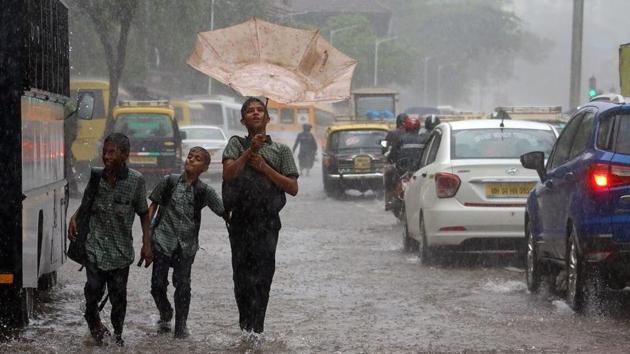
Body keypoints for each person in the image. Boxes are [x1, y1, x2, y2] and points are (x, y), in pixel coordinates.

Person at [222, 97, 299, 339]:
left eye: (260, 110)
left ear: (267, 119)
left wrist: (265, 167)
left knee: (263, 277)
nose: (255, 114)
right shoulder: (235, 145)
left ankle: (258, 330)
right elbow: (228, 174)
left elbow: (293, 187)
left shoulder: (282, 150)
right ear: (243, 120)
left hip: (267, 223)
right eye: (250, 111)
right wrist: (250, 151)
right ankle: (245, 327)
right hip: (240, 222)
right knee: (242, 277)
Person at [67, 132, 152, 347]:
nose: (106, 157)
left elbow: (144, 213)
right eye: (104, 152)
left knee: (118, 298)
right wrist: (74, 218)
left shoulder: (136, 181)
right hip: (94, 247)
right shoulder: (96, 177)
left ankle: (118, 336)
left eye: (112, 152)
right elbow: (86, 204)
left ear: (125, 154)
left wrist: (147, 244)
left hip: (120, 252)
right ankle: (93, 320)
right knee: (93, 289)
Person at [147, 146, 227, 339]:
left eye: (197, 158)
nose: (191, 160)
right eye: (190, 156)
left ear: (205, 168)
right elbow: (153, 206)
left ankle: (181, 327)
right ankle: (166, 313)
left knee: (183, 286)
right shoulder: (169, 181)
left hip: (186, 246)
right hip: (162, 240)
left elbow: (223, 211)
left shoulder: (204, 191)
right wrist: (147, 236)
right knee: (157, 285)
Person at [383, 113, 407, 208]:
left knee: (388, 176)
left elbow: (384, 147)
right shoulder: (413, 133)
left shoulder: (391, 134)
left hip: (396, 164)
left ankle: (388, 201)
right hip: (412, 165)